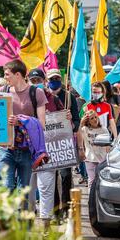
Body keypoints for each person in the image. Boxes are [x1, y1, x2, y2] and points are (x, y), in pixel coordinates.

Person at [0, 60, 47, 197]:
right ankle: (8, 218)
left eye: (7, 74)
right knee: (6, 188)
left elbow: (41, 124)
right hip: (6, 148)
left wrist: (20, 121)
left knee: (23, 191)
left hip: (26, 149)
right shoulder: (3, 91)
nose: (5, 77)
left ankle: (22, 218)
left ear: (18, 75)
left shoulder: (36, 93)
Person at [27, 68, 65, 229]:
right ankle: (27, 222)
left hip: (48, 150)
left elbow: (63, 122)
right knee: (27, 190)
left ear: (44, 81)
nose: (36, 84)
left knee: (46, 189)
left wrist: (66, 117)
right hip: (27, 152)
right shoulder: (25, 99)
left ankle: (45, 225)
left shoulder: (54, 100)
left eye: (38, 81)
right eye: (33, 81)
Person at [46, 69, 79, 222]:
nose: (54, 80)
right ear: (47, 80)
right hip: (48, 144)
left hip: (64, 144)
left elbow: (78, 123)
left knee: (65, 176)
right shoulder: (43, 96)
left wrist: (71, 121)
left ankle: (66, 209)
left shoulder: (69, 97)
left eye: (57, 78)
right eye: (51, 78)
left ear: (61, 79)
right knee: (51, 178)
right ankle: (55, 211)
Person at [78, 110, 109, 187]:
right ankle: (91, 198)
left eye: (96, 117)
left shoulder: (104, 130)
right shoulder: (85, 129)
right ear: (88, 121)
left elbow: (108, 146)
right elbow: (78, 133)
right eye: (92, 118)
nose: (95, 119)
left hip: (102, 159)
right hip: (90, 158)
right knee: (91, 180)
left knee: (101, 181)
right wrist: (81, 122)